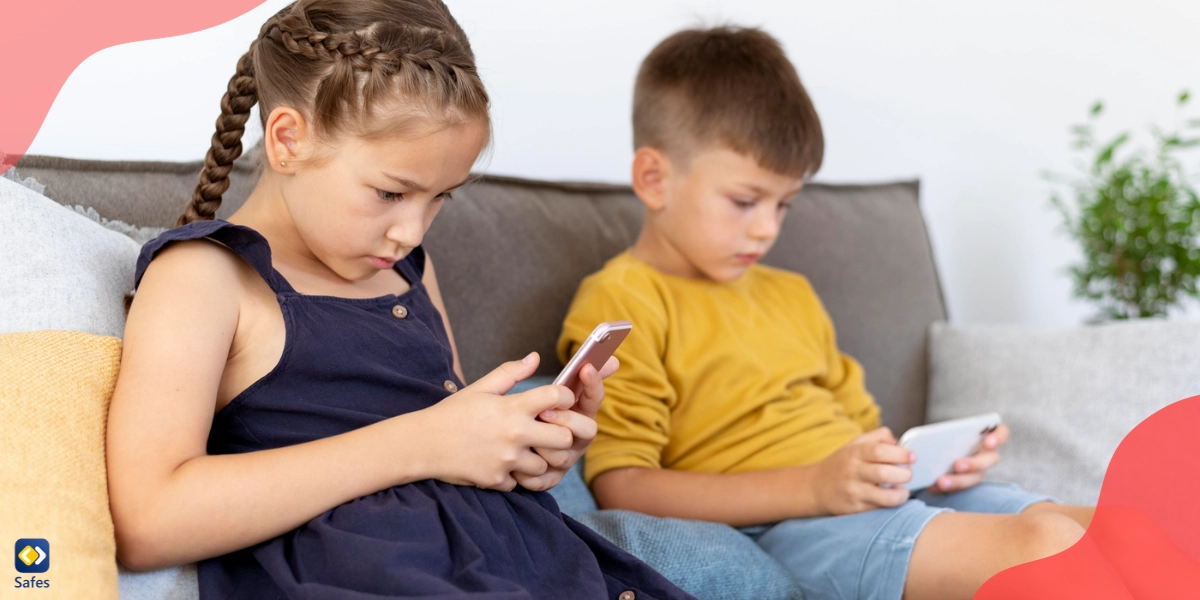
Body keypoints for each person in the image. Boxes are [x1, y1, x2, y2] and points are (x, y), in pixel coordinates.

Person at [106, 2, 693, 598]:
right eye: (391, 192)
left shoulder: (406, 271)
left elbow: (458, 448)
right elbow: (149, 519)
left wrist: (524, 451)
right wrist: (424, 443)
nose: (413, 231)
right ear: (288, 140)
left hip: (528, 559)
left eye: (442, 197)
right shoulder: (205, 277)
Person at [558, 25, 1095, 600]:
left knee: (1121, 529)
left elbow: (868, 431)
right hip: (802, 524)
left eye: (784, 204)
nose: (767, 229)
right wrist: (814, 488)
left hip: (886, 497)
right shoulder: (627, 299)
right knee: (1048, 547)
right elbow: (623, 486)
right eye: (744, 202)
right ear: (654, 179)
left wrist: (931, 461)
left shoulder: (791, 293)